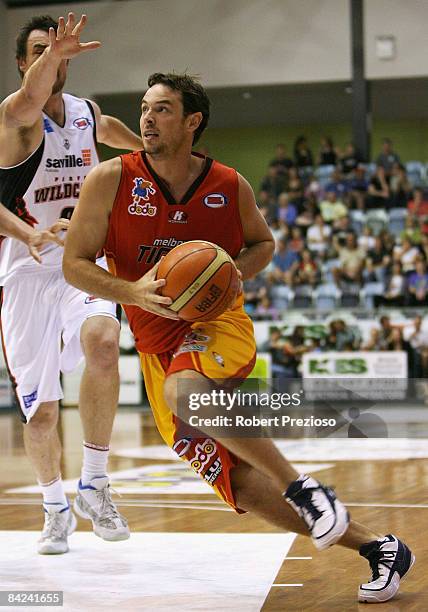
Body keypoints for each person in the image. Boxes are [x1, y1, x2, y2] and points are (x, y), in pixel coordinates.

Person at [63, 72, 414, 603]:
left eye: (161, 109)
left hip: (215, 325)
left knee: (186, 393)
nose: (147, 119)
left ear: (192, 121)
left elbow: (263, 243)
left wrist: (228, 272)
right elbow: (74, 264)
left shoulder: (228, 184)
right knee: (243, 485)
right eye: (144, 108)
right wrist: (129, 292)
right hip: (155, 343)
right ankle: (378, 548)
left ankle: (306, 488)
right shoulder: (110, 180)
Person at [0, 13, 143, 554]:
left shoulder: (85, 111)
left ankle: (95, 483)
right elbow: (32, 97)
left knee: (104, 343)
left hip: (80, 260)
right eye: (38, 50)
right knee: (40, 411)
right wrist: (28, 233)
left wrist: (158, 155)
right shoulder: (13, 116)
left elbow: (112, 136)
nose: (50, 58)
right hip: (25, 268)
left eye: (55, 49)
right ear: (23, 62)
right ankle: (53, 506)